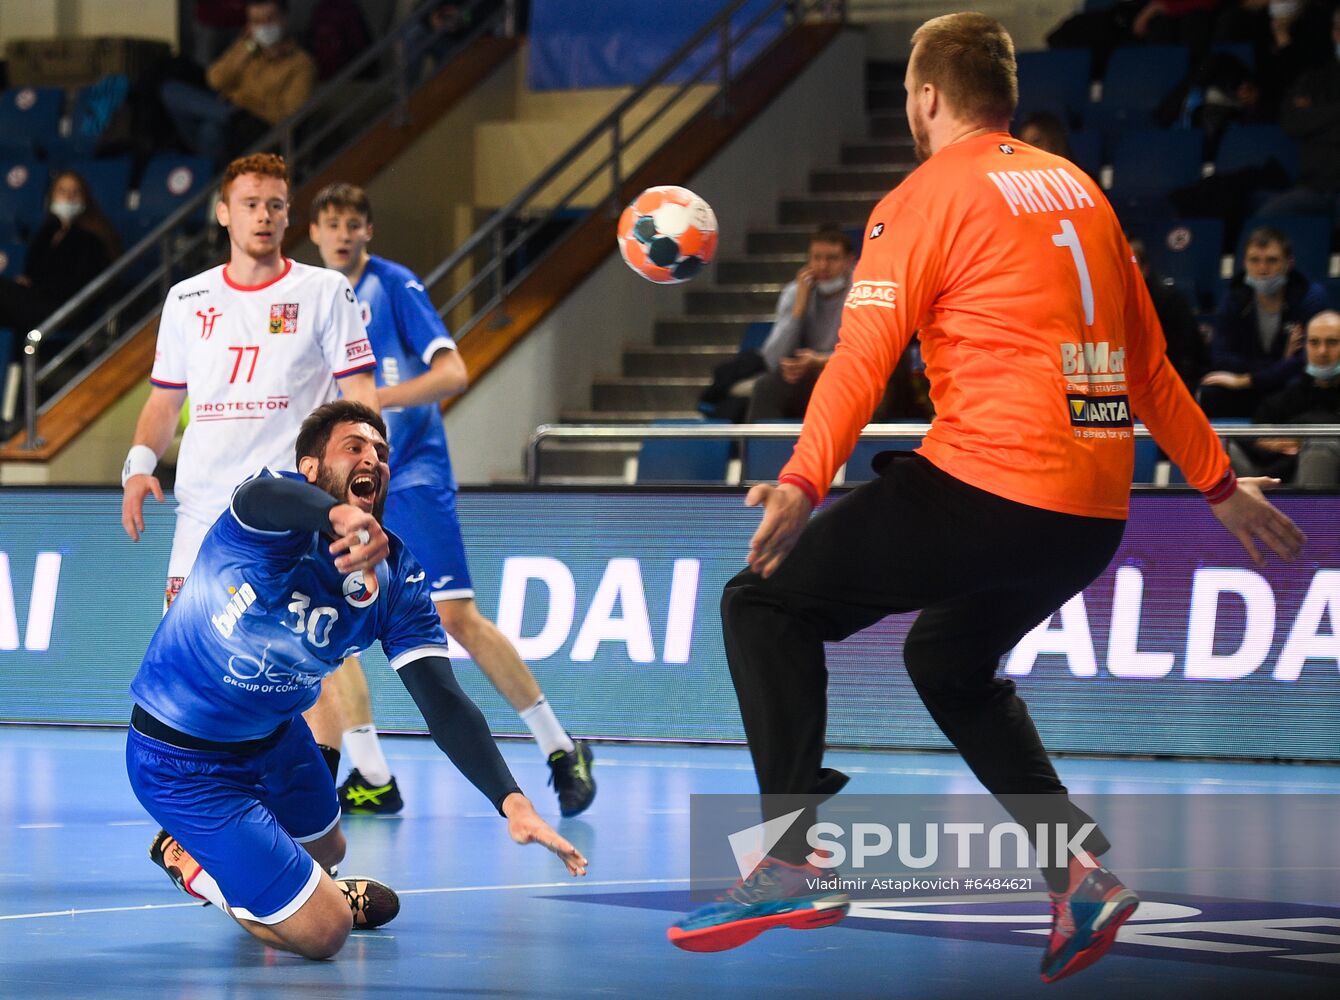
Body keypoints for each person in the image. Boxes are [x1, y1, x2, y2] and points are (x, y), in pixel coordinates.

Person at [667, 12, 1306, 984]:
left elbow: (859, 359)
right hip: (1090, 512)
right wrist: (1214, 483)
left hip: (991, 482)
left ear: (923, 97)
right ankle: (1077, 870)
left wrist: (801, 478)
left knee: (762, 601)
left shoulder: (922, 197)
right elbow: (1148, 368)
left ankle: (788, 860)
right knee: (947, 659)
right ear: (1002, 97)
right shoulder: (1081, 192)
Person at [127, 400, 587, 959]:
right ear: (312, 469)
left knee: (329, 846)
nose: (373, 456)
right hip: (181, 758)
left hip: (276, 737)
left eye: (381, 452)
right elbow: (267, 497)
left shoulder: (397, 577)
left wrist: (511, 801)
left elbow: (441, 701)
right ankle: (195, 867)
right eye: (354, 446)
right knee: (326, 934)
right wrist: (336, 517)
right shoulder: (262, 521)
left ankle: (295, 885)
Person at [307, 182, 595, 817]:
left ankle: (559, 746)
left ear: (368, 231)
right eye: (332, 223)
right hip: (342, 485)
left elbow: (455, 373)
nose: (344, 233)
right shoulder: (309, 296)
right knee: (326, 623)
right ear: (316, 232)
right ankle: (372, 774)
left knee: (457, 617)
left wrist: (377, 404)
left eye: (355, 222)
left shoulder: (394, 285)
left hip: (409, 473)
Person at [121, 151, 378, 782]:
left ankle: (317, 802)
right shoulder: (188, 298)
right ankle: (199, 802)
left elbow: (360, 389)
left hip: (293, 510)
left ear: (290, 214)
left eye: (275, 205)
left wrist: (363, 474)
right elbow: (164, 398)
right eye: (250, 203)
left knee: (303, 660)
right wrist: (138, 465)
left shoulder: (324, 291)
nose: (263, 216)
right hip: (204, 513)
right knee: (192, 663)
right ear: (222, 212)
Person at [698, 226, 855, 422]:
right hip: (803, 374)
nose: (823, 266)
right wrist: (798, 309)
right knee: (768, 385)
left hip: (844, 372)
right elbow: (772, 358)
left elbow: (863, 352)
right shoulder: (795, 292)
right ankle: (758, 450)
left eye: (832, 258)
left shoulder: (860, 292)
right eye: (816, 258)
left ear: (849, 261)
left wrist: (821, 360)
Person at [160, 0, 316, 162]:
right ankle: (213, 161)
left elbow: (290, 116)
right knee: (171, 90)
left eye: (270, 19)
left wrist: (246, 104)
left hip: (259, 126)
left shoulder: (301, 63)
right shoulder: (247, 47)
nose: (264, 27)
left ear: (284, 19)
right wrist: (246, 50)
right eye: (257, 22)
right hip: (228, 114)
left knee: (211, 129)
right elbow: (214, 79)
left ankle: (204, 170)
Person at [1199, 226, 1328, 418]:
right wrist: (1278, 363)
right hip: (1259, 383)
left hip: (1285, 384)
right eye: (1255, 260)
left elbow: (1307, 360)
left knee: (1302, 385)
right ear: (1244, 263)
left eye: (1272, 260)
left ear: (1289, 263)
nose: (1262, 269)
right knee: (1210, 393)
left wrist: (1247, 380)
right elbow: (1221, 356)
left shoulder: (1310, 297)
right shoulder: (1234, 298)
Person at [0, 170, 121, 334]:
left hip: (67, 310)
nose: (68, 197)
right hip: (37, 303)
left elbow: (83, 284)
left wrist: (35, 287)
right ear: (52, 196)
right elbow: (32, 272)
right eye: (62, 191)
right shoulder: (46, 233)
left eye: (75, 192)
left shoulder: (93, 238)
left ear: (85, 198)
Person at [1229, 309, 1340, 483]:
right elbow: (1255, 436)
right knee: (1219, 444)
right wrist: (1271, 443)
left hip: (1324, 478)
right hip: (1271, 475)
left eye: (1332, 342)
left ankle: (1313, 510)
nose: (1322, 351)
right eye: (1314, 342)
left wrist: (1300, 435)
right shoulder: (1288, 395)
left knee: (1321, 446)